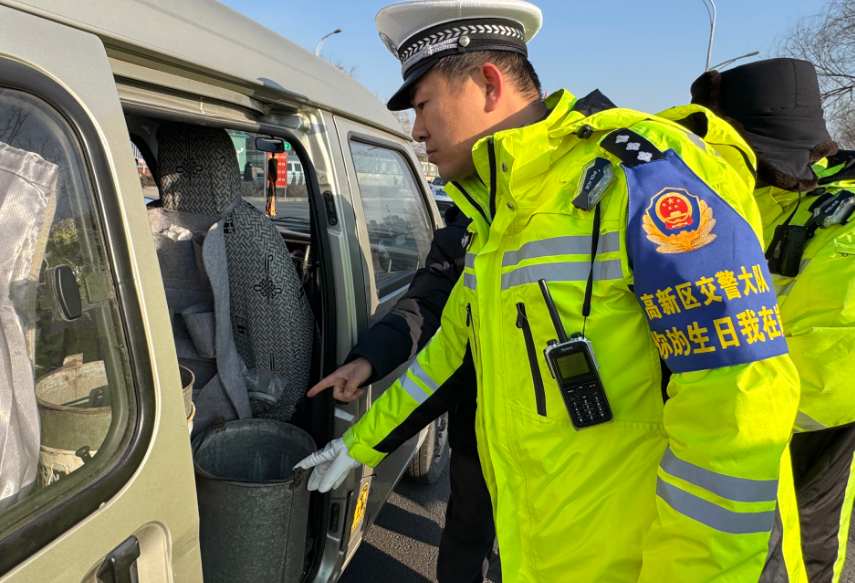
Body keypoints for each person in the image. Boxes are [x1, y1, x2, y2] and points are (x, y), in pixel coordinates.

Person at [297, 1, 800, 581]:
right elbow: (450, 354)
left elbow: (737, 404)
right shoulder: (500, 214)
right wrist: (358, 444)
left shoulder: (640, 175)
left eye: (423, 105)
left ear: (489, 84)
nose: (417, 131)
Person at [692, 58, 855, 583]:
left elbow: (827, 377)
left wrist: (694, 389)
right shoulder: (750, 199)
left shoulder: (844, 222)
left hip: (798, 458)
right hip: (726, 451)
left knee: (798, 561)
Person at [308, 204, 496, 583]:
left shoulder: (598, 211)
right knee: (464, 544)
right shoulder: (464, 232)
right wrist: (368, 360)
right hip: (478, 439)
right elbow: (426, 311)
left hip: (570, 458)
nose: (421, 140)